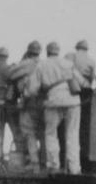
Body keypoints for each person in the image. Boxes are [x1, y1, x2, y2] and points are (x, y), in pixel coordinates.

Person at [35, 42, 82, 174]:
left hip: (53, 101)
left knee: (51, 133)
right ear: (58, 51)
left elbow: (33, 88)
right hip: (72, 101)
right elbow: (81, 82)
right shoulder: (68, 63)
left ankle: (54, 165)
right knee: (72, 134)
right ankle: (74, 168)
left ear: (47, 51)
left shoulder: (41, 64)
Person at [8, 41, 44, 170]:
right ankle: (44, 161)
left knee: (29, 132)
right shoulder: (43, 64)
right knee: (44, 133)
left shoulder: (26, 64)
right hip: (44, 104)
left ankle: (34, 162)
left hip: (29, 102)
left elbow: (10, 74)